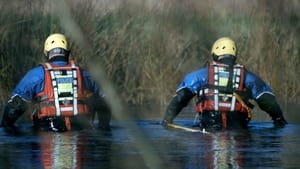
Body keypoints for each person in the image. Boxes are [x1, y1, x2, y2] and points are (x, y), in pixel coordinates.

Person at [162, 37, 287, 130]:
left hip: (209, 127)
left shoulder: (199, 75)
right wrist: (279, 119)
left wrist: (168, 119)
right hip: (238, 130)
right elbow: (267, 100)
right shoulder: (248, 77)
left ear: (214, 54)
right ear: (234, 55)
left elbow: (181, 98)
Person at [1, 33, 111, 132]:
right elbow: (106, 100)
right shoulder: (84, 74)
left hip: (47, 131)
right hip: (80, 131)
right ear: (67, 53)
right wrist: (103, 127)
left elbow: (15, 106)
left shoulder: (35, 75)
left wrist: (6, 128)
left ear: (46, 53)